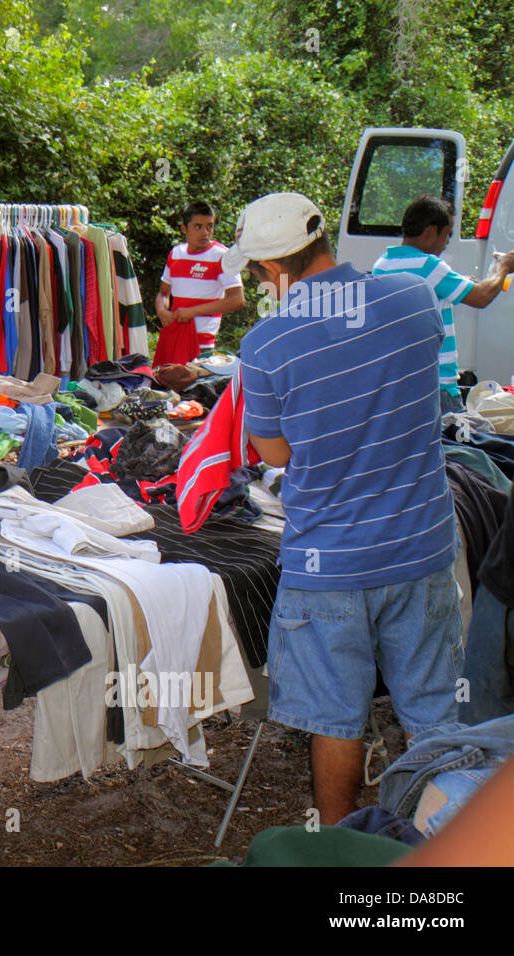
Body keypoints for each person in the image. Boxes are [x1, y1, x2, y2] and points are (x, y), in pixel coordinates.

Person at [230, 192, 463, 827]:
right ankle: (435, 841)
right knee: (434, 716)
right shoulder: (414, 298)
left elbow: (275, 452)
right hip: (421, 546)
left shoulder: (266, 343)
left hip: (327, 561)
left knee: (336, 720)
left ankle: (340, 845)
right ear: (322, 238)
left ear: (273, 270)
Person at [371, 194, 514, 414]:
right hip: (437, 386)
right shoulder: (428, 265)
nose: (447, 243)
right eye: (447, 235)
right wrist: (503, 266)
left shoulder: (382, 265)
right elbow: (481, 297)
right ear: (430, 232)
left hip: (402, 385)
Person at [152, 200, 245, 366]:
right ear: (184, 228)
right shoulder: (176, 254)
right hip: (175, 338)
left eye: (210, 226)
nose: (205, 232)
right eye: (198, 226)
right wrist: (161, 310)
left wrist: (192, 311)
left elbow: (237, 300)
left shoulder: (222, 256)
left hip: (203, 346)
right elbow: (163, 293)